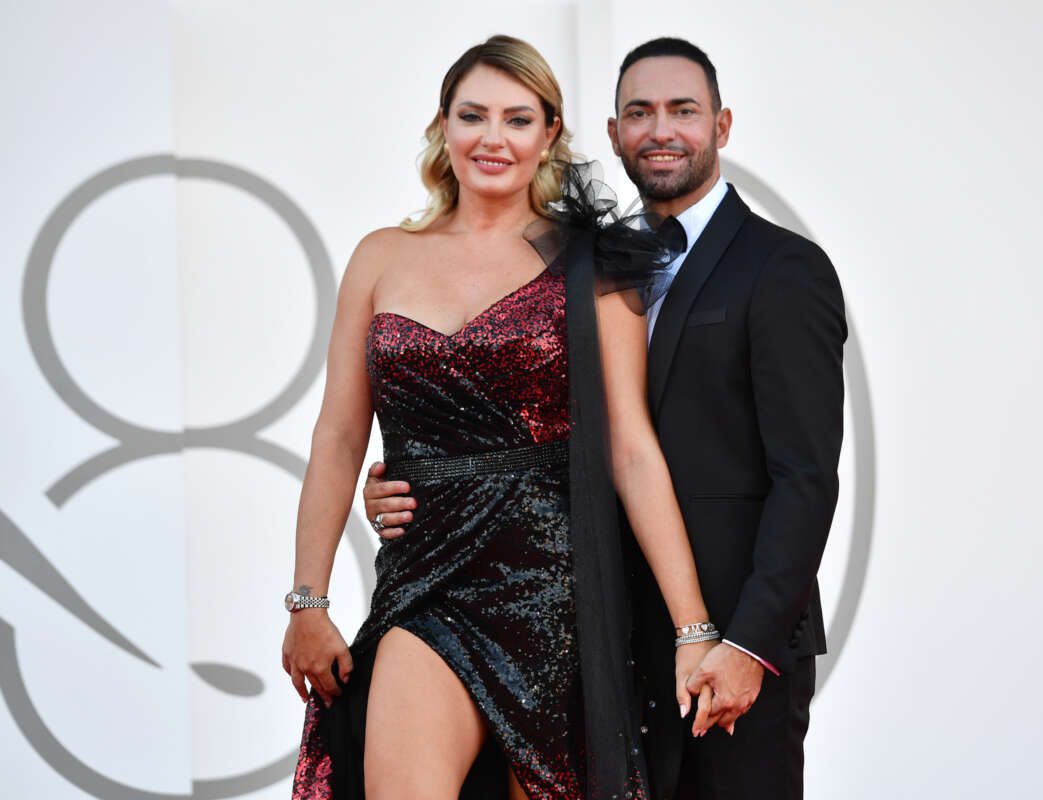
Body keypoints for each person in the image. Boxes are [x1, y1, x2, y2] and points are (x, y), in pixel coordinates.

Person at [365, 37, 847, 799]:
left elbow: (807, 479)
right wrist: (421, 476)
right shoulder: (581, 264)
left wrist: (748, 643)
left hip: (728, 644)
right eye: (640, 113)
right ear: (614, 134)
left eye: (683, 110)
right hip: (599, 634)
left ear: (721, 125)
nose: (661, 130)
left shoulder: (782, 268)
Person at [284, 35, 734, 800]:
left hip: (552, 589)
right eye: (473, 116)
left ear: (550, 133)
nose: (493, 138)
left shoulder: (593, 264)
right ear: (443, 126)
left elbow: (630, 448)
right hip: (424, 580)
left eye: (518, 119)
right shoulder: (380, 257)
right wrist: (308, 600)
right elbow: (338, 436)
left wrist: (693, 629)